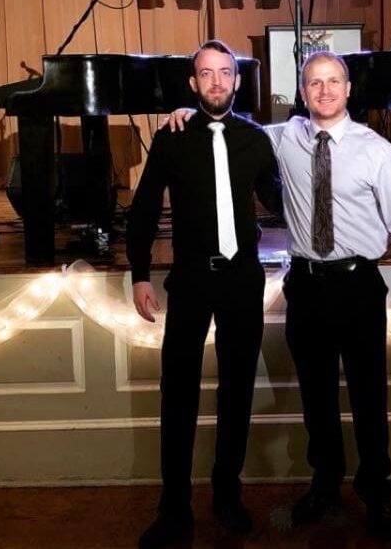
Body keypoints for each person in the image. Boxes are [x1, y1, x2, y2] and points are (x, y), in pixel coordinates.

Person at [165, 50, 391, 541]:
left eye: (333, 82)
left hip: (358, 283)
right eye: (313, 83)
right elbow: (227, 127)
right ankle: (325, 484)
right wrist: (187, 113)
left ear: (348, 89)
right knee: (317, 399)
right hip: (305, 285)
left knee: (370, 397)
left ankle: (377, 494)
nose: (324, 91)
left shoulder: (376, 150)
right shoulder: (281, 139)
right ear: (302, 93)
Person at [126, 39, 283, 549]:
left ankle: (227, 495)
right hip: (190, 279)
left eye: (226, 73)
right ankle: (174, 508)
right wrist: (139, 272)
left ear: (237, 82)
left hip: (242, 280)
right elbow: (146, 207)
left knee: (237, 390)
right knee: (180, 395)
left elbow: (282, 202)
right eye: (206, 74)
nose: (216, 81)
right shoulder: (171, 137)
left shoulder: (257, 141)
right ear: (193, 84)